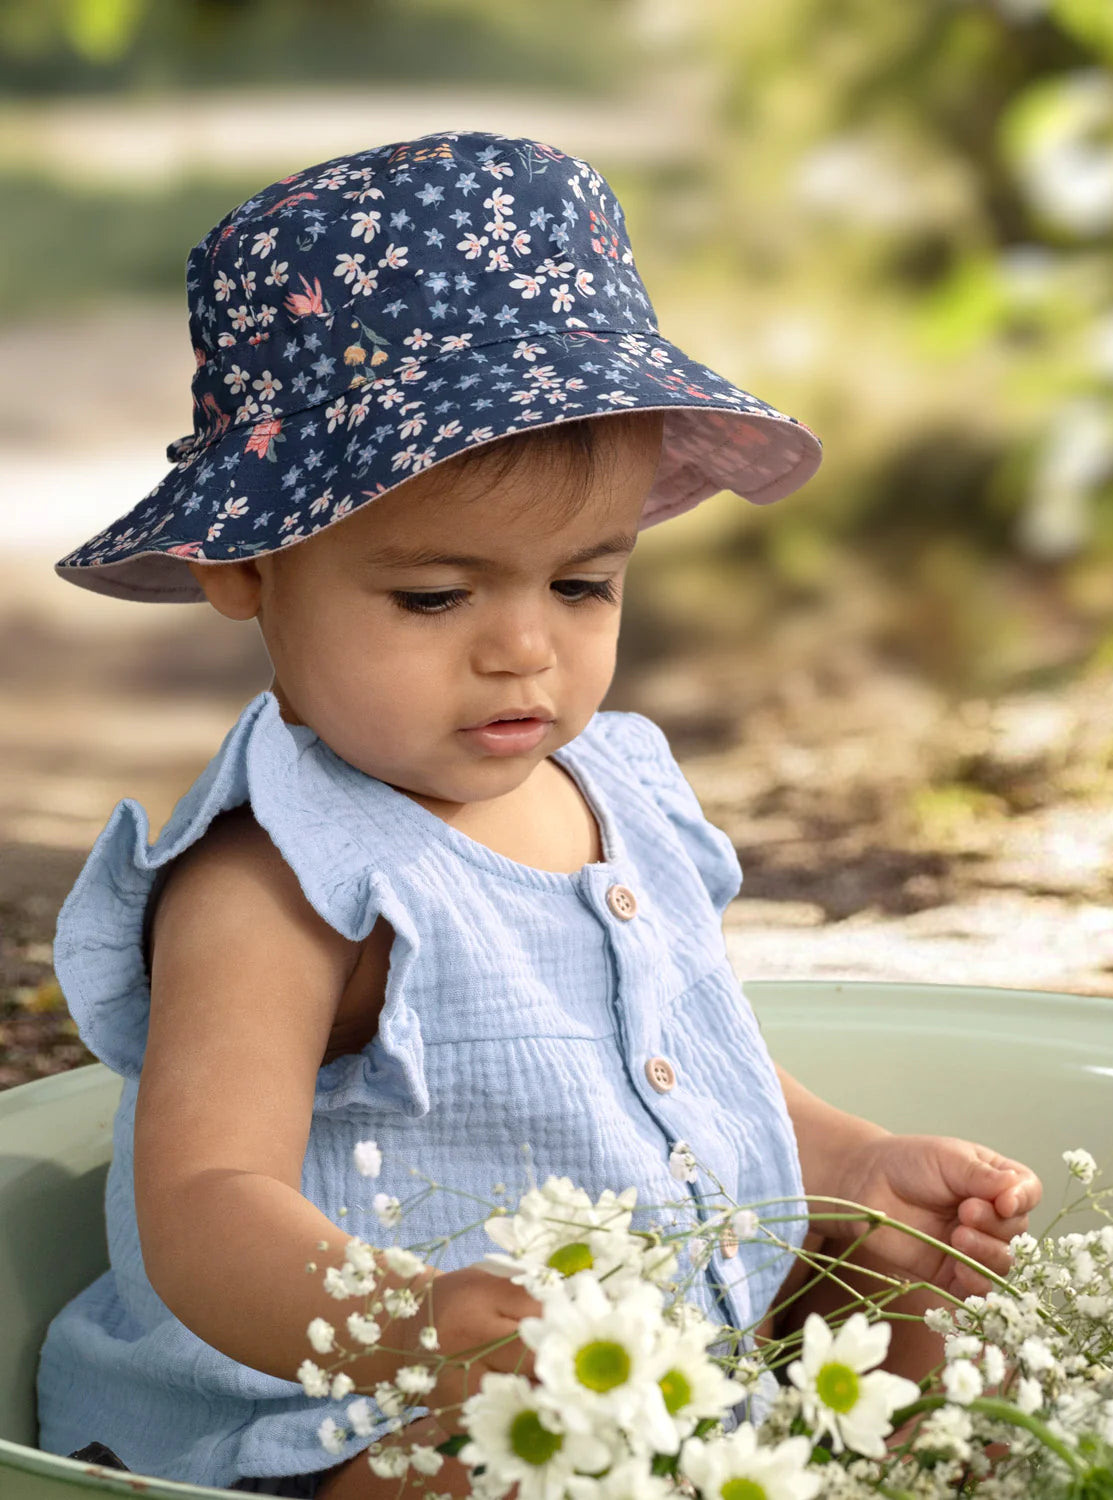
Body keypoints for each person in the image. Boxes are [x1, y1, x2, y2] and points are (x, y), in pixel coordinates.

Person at [36, 129, 1041, 1498]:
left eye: (582, 585)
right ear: (248, 565)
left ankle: (903, 1469)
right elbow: (205, 1205)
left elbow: (690, 1076)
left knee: (915, 1286)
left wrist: (859, 1164)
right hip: (349, 1416)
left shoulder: (622, 786)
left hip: (651, 1360)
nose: (523, 651)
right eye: (435, 597)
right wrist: (413, 1326)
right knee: (510, 1454)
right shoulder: (278, 880)